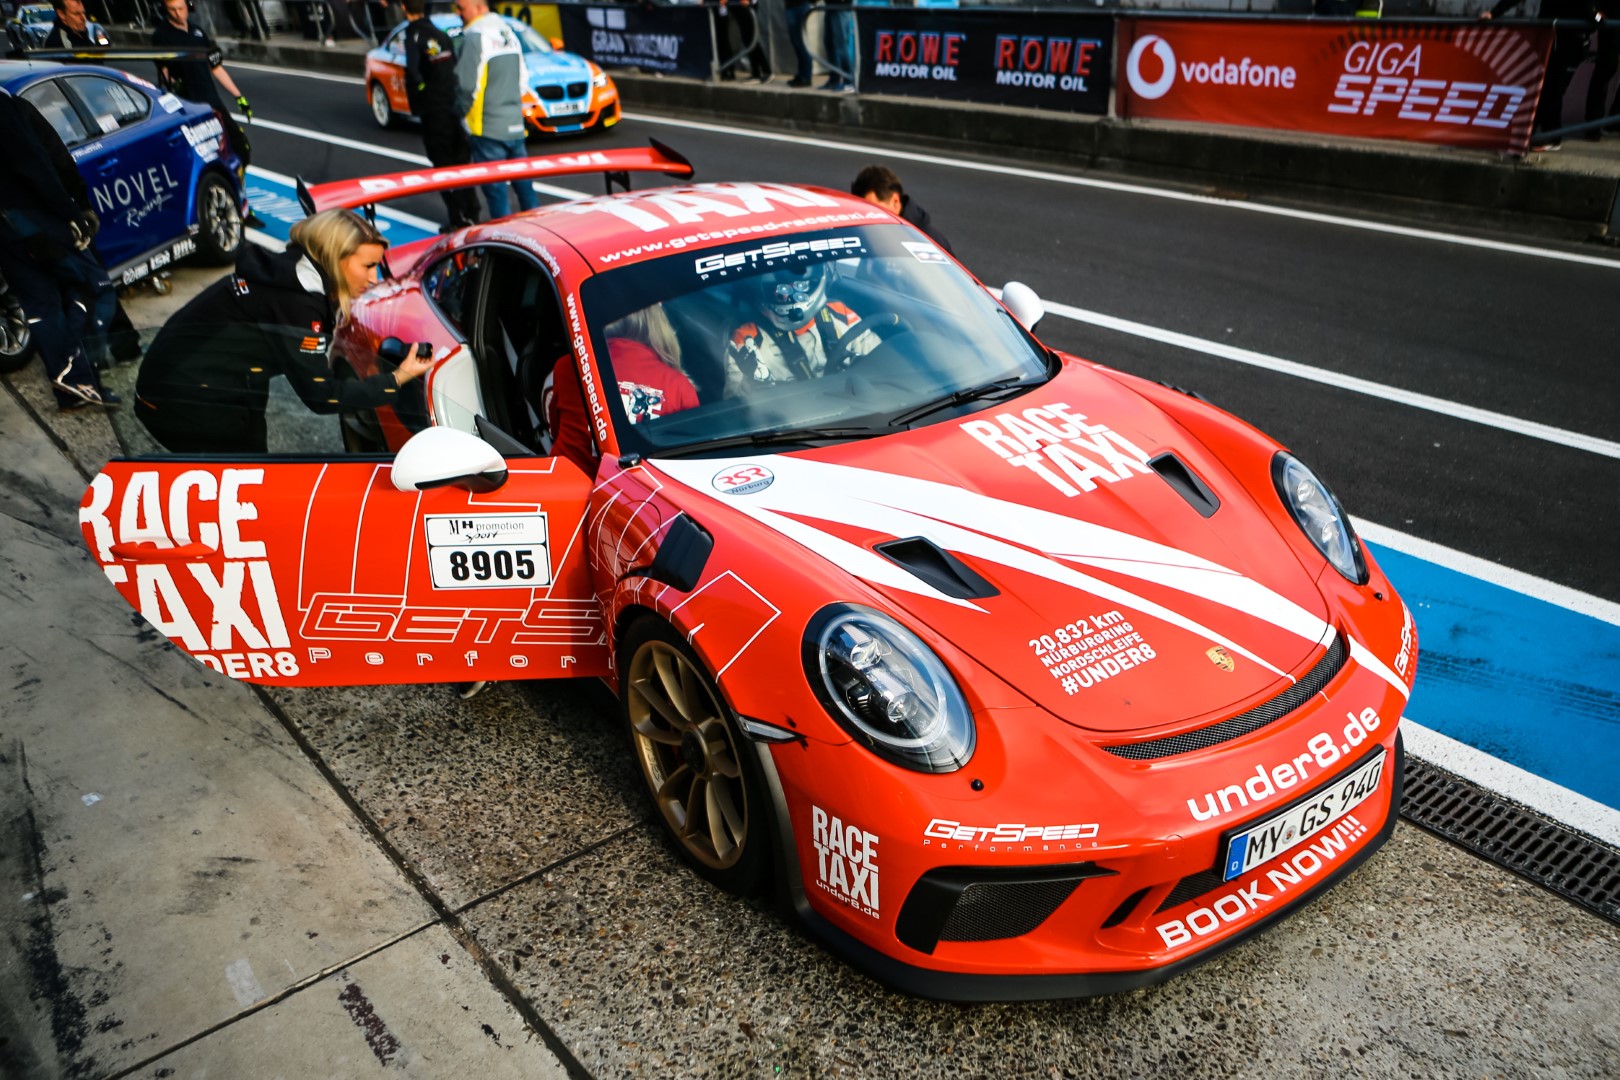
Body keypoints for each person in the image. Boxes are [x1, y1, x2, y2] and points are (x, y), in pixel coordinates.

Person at [133, 209, 433, 453]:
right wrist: (396, 379)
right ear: (333, 258)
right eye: (367, 266)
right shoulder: (298, 305)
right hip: (180, 401)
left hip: (218, 384)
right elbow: (321, 395)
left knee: (253, 465)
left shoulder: (290, 271)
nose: (373, 278)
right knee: (236, 486)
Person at [0, 91, 118, 410]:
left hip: (5, 231)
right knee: (95, 289)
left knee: (41, 305)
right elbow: (39, 160)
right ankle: (85, 369)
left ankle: (70, 387)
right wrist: (72, 213)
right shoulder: (6, 105)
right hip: (35, 216)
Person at [545, 304, 699, 472]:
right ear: (655, 323)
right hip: (639, 489)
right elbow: (690, 459)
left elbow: (554, 430)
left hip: (571, 485)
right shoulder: (679, 386)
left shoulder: (569, 366)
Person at [721, 262, 879, 398]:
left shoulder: (840, 314)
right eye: (779, 290)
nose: (785, 297)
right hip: (789, 422)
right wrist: (753, 383)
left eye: (796, 288)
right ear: (765, 290)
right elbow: (733, 405)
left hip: (853, 407)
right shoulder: (746, 340)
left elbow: (881, 358)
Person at [453, 0, 539, 220]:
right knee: (525, 188)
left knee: (497, 194)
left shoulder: (475, 37)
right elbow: (523, 80)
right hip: (514, 125)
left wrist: (459, 116)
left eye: (461, 8)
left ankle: (504, 246)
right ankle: (539, 243)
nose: (458, 13)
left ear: (479, 8)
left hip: (487, 128)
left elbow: (466, 86)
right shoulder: (508, 33)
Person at [402, 0, 480, 228]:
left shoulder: (413, 35)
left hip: (435, 112)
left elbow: (414, 74)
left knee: (443, 165)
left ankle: (458, 218)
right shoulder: (440, 34)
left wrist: (422, 99)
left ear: (404, 8)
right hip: (454, 107)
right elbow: (454, 66)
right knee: (462, 162)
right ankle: (472, 211)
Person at [152, 0, 253, 174]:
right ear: (164, 10)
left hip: (211, 98)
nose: (178, 13)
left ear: (189, 7)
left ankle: (237, 182)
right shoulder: (161, 36)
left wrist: (239, 96)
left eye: (181, 9)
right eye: (172, 10)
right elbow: (164, 72)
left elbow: (215, 67)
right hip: (189, 105)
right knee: (206, 153)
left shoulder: (198, 32)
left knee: (240, 145)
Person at [1481, 0, 1598, 150]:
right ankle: (1530, 135)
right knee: (1545, 89)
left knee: (1553, 90)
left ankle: (1551, 137)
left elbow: (1591, 14)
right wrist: (1494, 13)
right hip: (1550, 40)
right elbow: (1593, 16)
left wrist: (1598, 18)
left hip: (1569, 44)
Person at [851, 164, 954, 256]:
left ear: (895, 201)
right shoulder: (868, 237)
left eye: (873, 210)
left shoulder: (931, 244)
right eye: (861, 211)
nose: (866, 217)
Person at [716, 0, 770, 83]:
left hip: (746, 6)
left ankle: (765, 71)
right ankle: (756, 73)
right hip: (739, 7)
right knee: (748, 40)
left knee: (751, 39)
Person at [1589, 0, 1619, 137]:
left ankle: (1613, 122)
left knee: (1604, 72)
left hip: (1610, 24)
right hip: (1610, 26)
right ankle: (1593, 126)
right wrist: (1596, 15)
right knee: (1604, 72)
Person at [40, 0, 108, 49]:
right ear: (61, 14)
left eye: (83, 13)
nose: (83, 18)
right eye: (77, 14)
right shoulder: (56, 41)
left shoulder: (84, 33)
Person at [820, 0, 855, 92]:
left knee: (841, 46)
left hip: (841, 7)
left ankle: (849, 81)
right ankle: (834, 79)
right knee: (829, 43)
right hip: (830, 6)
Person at [783, 0, 813, 87]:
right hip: (790, 6)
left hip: (800, 5)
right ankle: (801, 74)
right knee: (796, 42)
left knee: (801, 42)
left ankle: (806, 76)